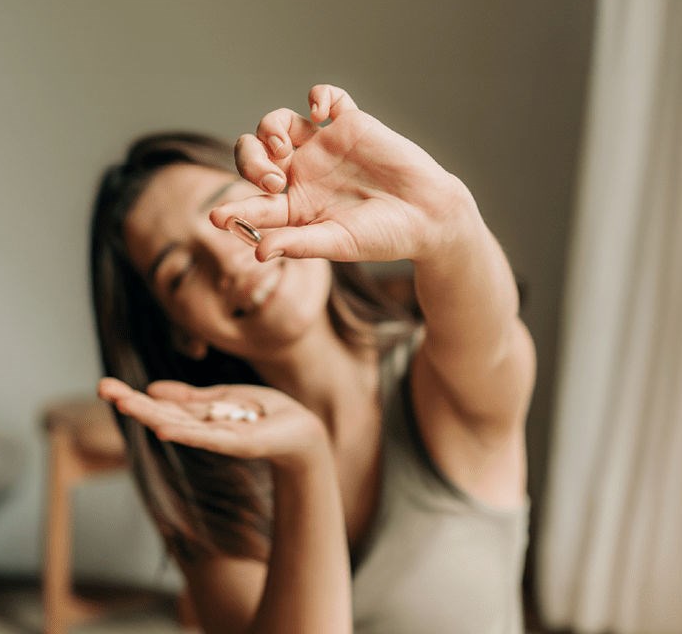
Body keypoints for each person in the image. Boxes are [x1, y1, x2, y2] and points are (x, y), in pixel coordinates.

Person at [87, 84, 533, 633]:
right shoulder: (211, 474)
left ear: (284, 196)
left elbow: (491, 338)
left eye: (225, 215)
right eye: (179, 274)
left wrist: (446, 219)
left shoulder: (438, 380)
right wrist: (304, 460)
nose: (225, 263)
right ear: (184, 335)